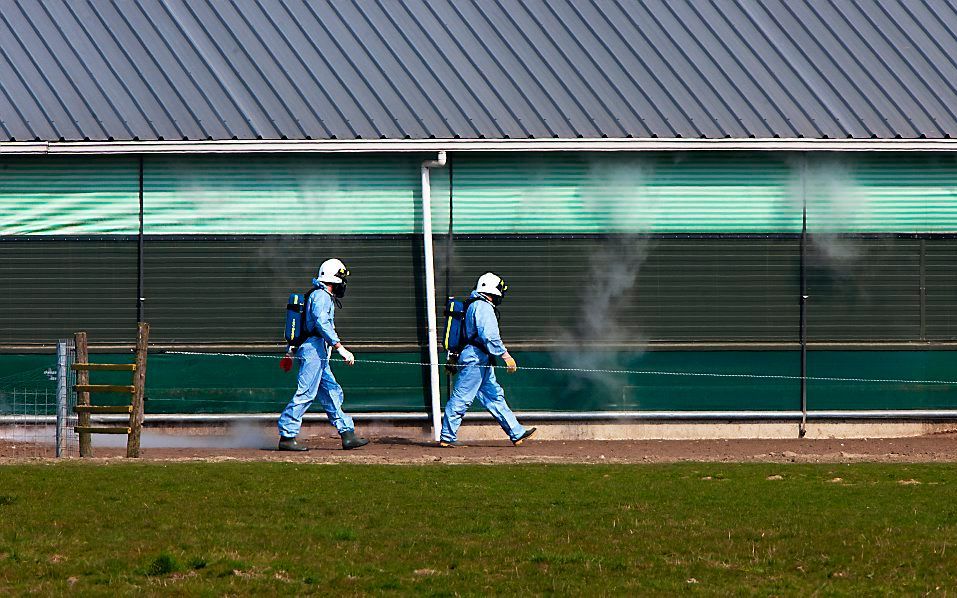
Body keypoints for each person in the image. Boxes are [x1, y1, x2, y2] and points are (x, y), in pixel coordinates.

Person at [277, 258, 369, 451]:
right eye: (342, 278)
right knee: (306, 393)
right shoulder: (321, 296)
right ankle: (287, 435)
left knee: (331, 392)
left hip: (319, 352)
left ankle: (347, 434)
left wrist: (290, 353)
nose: (344, 283)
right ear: (333, 278)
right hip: (314, 352)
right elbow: (321, 323)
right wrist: (340, 347)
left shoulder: (320, 295)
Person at [439, 272, 536, 447]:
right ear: (493, 290)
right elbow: (489, 335)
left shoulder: (472, 305)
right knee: (462, 397)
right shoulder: (483, 307)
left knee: (494, 396)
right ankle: (447, 436)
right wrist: (505, 355)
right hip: (475, 360)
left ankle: (516, 432)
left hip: (479, 359)